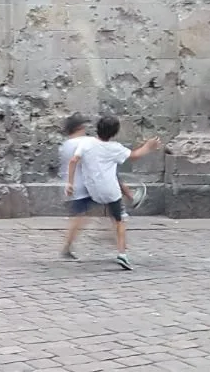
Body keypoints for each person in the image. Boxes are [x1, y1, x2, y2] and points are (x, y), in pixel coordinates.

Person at [63, 115, 160, 270]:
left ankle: (129, 197)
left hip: (93, 189)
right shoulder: (115, 148)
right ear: (115, 133)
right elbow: (134, 156)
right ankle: (122, 254)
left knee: (91, 209)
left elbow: (74, 160)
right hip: (110, 191)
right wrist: (148, 146)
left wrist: (70, 182)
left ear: (97, 129)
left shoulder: (87, 143)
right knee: (120, 220)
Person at [58, 113, 133, 223]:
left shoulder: (65, 146)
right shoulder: (87, 141)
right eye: (83, 127)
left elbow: (69, 164)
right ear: (79, 128)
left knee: (79, 216)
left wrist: (69, 182)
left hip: (80, 186)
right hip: (91, 184)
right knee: (112, 196)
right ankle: (122, 211)